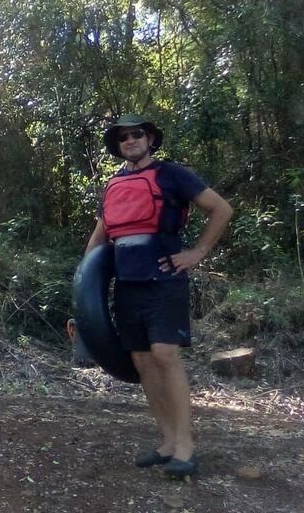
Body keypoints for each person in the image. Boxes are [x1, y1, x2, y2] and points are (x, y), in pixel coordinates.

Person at [85, 114, 232, 477]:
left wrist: (197, 253)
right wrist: (83, 293)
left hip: (164, 280)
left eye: (137, 135)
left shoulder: (172, 174)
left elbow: (221, 209)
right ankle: (167, 441)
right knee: (142, 360)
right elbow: (100, 239)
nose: (130, 141)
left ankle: (186, 446)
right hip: (128, 286)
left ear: (150, 139)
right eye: (123, 138)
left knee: (165, 355)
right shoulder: (113, 185)